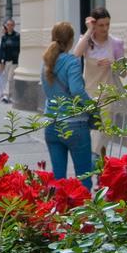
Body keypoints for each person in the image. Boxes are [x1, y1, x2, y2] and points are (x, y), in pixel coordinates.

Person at [41, 21, 94, 189]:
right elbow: (77, 90)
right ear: (71, 41)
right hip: (74, 125)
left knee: (58, 181)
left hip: (52, 124)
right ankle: (85, 213)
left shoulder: (46, 63)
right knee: (84, 177)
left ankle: (60, 213)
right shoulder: (72, 62)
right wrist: (92, 106)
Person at [72, 6, 126, 158]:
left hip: (108, 94)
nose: (105, 28)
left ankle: (95, 162)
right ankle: (90, 163)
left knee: (104, 132)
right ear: (94, 25)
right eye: (101, 25)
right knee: (86, 132)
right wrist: (89, 31)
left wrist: (112, 63)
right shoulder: (86, 41)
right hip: (87, 94)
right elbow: (76, 54)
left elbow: (123, 72)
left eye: (107, 24)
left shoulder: (116, 43)